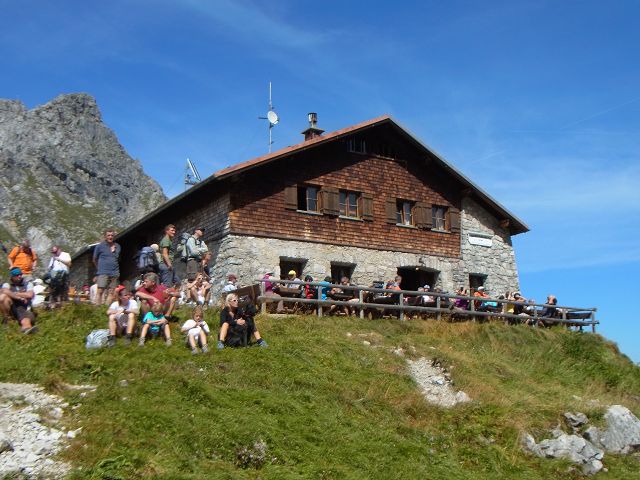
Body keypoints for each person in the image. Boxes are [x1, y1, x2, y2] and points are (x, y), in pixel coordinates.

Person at [0, 267, 37, 334]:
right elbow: (4, 291)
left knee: (26, 319)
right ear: (12, 276)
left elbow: (30, 295)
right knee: (2, 297)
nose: (19, 276)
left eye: (20, 274)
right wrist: (20, 298)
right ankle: (7, 319)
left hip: (25, 307)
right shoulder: (7, 284)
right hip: (13, 307)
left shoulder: (28, 284)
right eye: (17, 275)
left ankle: (26, 329)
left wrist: (14, 294)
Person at [92, 229, 121, 305]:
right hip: (103, 272)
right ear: (105, 236)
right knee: (100, 291)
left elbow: (117, 258)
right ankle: (97, 308)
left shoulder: (118, 246)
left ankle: (105, 309)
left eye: (112, 235)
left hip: (114, 272)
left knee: (111, 292)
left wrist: (113, 250)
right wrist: (99, 269)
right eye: (108, 235)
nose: (110, 237)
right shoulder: (99, 246)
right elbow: (94, 259)